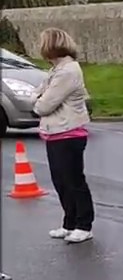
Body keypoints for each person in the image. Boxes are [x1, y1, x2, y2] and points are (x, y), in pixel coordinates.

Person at [33, 28, 94, 244]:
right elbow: (37, 94)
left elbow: (43, 105)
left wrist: (38, 100)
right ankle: (69, 223)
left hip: (69, 133)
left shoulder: (68, 71)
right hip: (54, 133)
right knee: (60, 181)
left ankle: (84, 225)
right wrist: (38, 98)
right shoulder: (56, 70)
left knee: (74, 180)